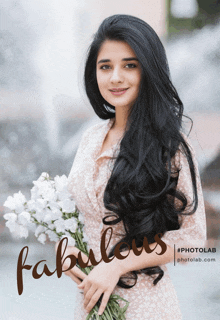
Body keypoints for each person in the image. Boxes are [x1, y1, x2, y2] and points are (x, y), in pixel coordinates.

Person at [56, 14, 206, 319]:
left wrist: (119, 263)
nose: (115, 78)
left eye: (130, 65)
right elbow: (76, 216)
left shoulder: (170, 145)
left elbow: (193, 243)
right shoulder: (90, 138)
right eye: (105, 66)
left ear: (148, 70)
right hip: (91, 304)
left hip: (145, 306)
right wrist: (66, 251)